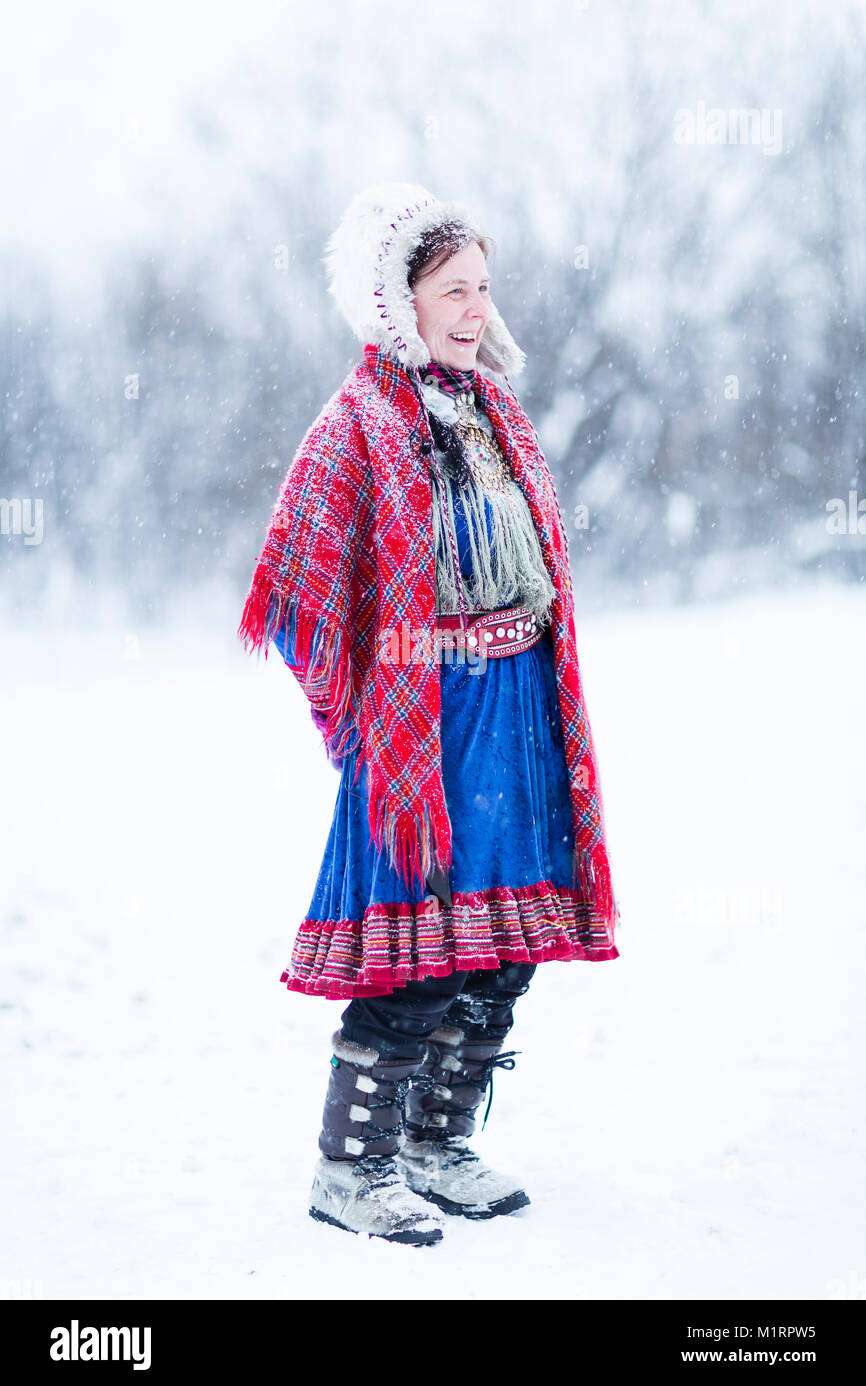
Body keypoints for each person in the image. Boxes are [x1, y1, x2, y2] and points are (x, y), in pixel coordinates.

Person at [238, 182, 621, 1247]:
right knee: (419, 954)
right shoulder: (352, 423)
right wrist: (364, 725)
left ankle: (434, 1143)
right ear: (394, 300)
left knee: (505, 948)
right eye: (452, 289)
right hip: (423, 724)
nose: (472, 307)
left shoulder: (495, 410)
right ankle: (349, 1167)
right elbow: (299, 595)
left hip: (515, 715)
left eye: (482, 287)